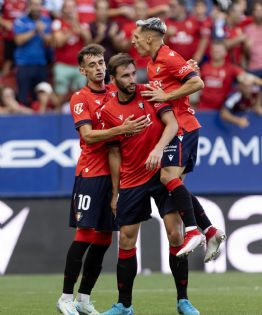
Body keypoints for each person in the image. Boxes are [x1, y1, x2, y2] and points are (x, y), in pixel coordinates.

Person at [100, 53, 201, 315]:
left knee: (176, 234)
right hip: (132, 179)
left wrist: (157, 150)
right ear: (114, 80)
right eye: (125, 76)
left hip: (159, 174)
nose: (132, 80)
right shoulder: (108, 111)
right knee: (126, 240)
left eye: (134, 73)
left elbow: (172, 123)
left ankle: (183, 301)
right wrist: (115, 192)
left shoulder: (149, 92)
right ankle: (124, 304)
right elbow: (113, 153)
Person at [56, 44, 148, 315]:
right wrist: (123, 128)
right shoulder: (80, 98)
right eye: (92, 64)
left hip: (115, 175)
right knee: (84, 234)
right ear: (82, 70)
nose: (98, 68)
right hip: (90, 173)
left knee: (105, 239)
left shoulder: (113, 91)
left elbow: (144, 90)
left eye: (101, 63)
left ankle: (84, 298)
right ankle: (64, 297)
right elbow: (87, 135)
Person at [132, 17, 226, 258]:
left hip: (182, 126)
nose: (134, 40)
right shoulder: (154, 62)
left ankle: (193, 231)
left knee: (167, 176)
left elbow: (197, 82)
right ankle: (210, 230)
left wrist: (167, 95)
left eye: (137, 36)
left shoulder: (168, 56)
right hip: (182, 126)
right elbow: (182, 76)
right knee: (176, 185)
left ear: (149, 37)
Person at [13, 0, 52, 106]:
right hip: (24, 65)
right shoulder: (21, 20)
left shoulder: (46, 20)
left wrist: (42, 32)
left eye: (39, 5)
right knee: (23, 98)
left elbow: (50, 41)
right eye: (34, 4)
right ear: (29, 6)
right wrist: (35, 30)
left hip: (41, 64)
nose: (37, 7)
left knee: (40, 100)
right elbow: (18, 40)